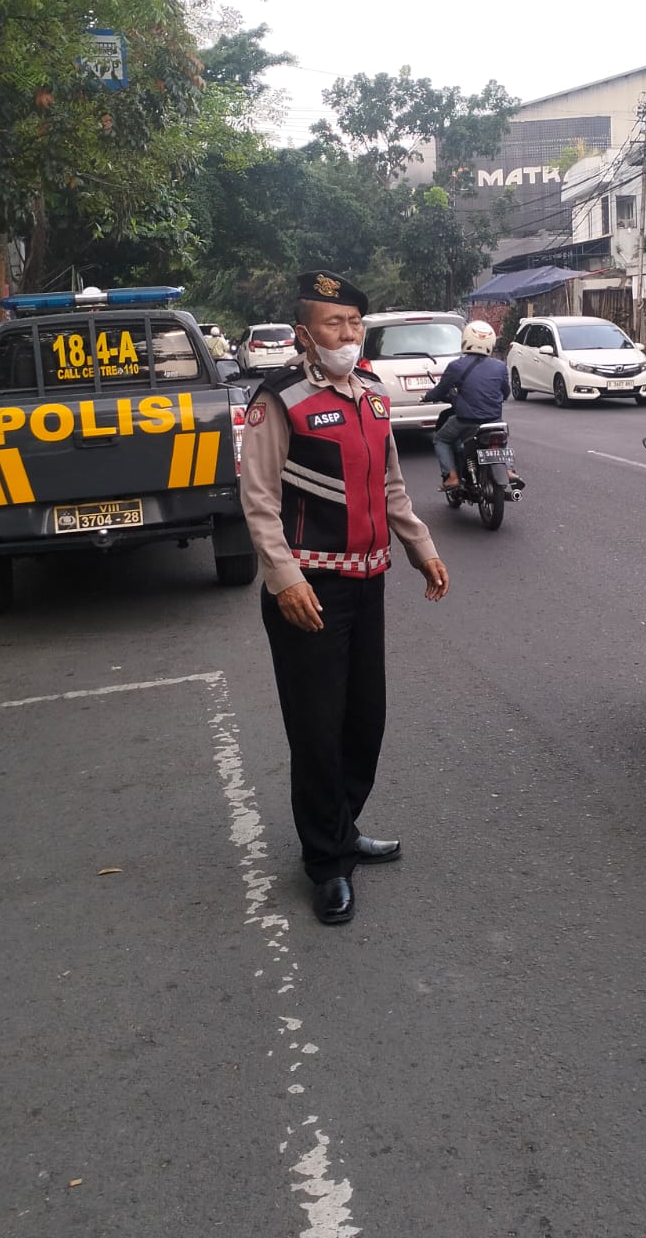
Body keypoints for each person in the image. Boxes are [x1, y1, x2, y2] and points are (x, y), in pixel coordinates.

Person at [239, 270, 450, 926]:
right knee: (317, 728)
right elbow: (259, 499)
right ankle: (326, 862)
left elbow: (391, 486)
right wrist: (285, 579)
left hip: (367, 582)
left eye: (355, 323)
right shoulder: (280, 400)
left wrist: (420, 546)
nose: (348, 334)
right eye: (334, 324)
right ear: (304, 334)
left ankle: (342, 825)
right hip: (309, 590)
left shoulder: (373, 395)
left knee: (365, 720)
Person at [428, 320, 516, 489]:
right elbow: (506, 392)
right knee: (500, 439)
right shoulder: (500, 366)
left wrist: (427, 397)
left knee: (440, 439)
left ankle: (452, 477)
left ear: (466, 340)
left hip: (465, 421)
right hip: (494, 420)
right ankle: (509, 469)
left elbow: (440, 390)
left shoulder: (456, 366)